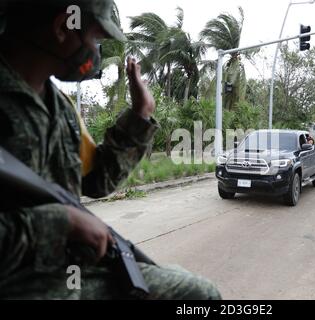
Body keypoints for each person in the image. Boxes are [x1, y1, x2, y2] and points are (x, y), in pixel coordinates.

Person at [0, 0, 221, 299]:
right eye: (95, 39)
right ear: (64, 27)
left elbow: (96, 181)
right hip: (21, 283)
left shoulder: (60, 108)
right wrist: (59, 223)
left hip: (69, 272)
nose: (96, 53)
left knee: (193, 290)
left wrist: (141, 115)